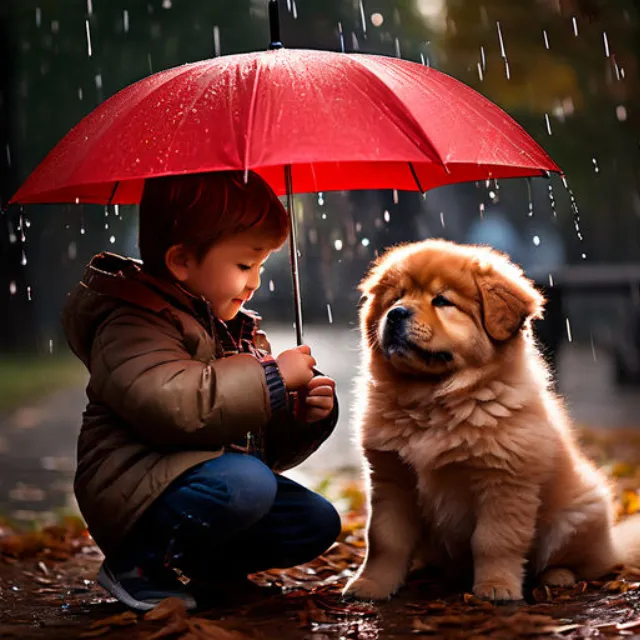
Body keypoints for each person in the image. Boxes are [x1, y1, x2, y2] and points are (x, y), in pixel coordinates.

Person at [61, 170, 341, 611]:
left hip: (207, 478)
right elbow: (175, 407)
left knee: (313, 520)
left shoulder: (236, 330)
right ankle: (137, 564)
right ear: (181, 262)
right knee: (246, 485)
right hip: (136, 491)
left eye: (262, 266)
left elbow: (258, 447)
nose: (255, 282)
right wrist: (270, 379)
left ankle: (214, 571)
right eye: (245, 266)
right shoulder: (131, 325)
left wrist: (300, 414)